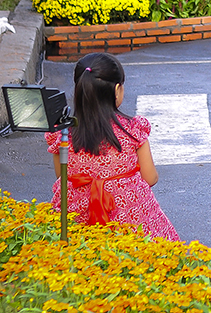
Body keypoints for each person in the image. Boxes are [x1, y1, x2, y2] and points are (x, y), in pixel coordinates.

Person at [45, 52, 179, 240]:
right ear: (117, 90)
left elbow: (62, 176)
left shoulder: (63, 134)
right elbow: (150, 178)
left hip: (77, 220)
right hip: (128, 221)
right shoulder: (132, 130)